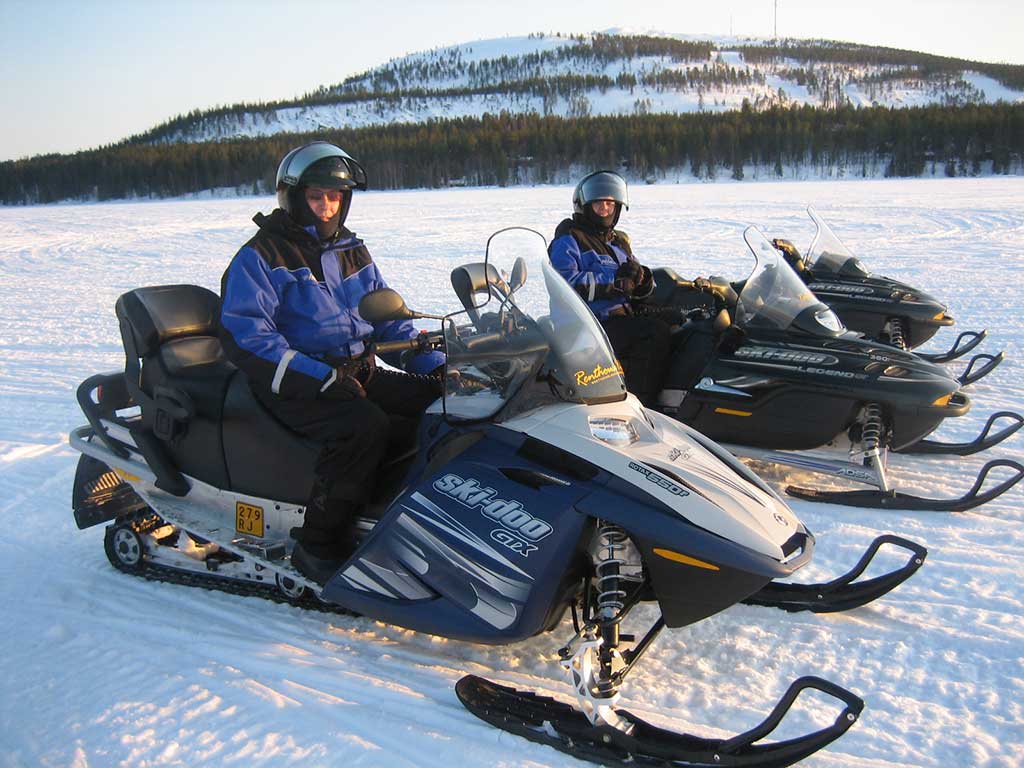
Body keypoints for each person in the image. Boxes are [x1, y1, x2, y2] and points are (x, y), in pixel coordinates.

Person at [219, 141, 445, 584]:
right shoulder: (262, 256)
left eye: (335, 198)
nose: (326, 207)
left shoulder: (351, 250)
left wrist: (438, 360)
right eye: (317, 196)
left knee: (444, 403)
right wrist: (320, 376)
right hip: (295, 381)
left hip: (357, 370)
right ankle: (318, 542)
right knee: (363, 428)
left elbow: (386, 318)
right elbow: (248, 336)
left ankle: (408, 517)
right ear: (294, 197)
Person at [548, 170, 672, 406]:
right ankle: (640, 403)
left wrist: (642, 279)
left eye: (609, 204)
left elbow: (638, 288)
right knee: (653, 333)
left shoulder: (618, 242)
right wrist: (614, 283)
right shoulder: (569, 239)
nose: (605, 209)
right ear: (584, 206)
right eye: (598, 204)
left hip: (619, 319)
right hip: (587, 327)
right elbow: (564, 284)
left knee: (679, 324)